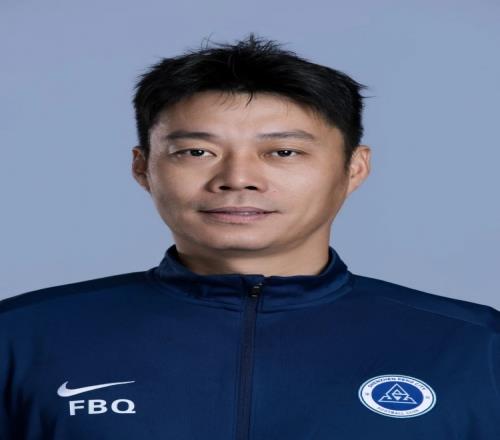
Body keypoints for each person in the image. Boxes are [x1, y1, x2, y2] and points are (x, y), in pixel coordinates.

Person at [1, 33, 499, 440]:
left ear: (354, 168)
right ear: (143, 168)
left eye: (283, 152)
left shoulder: (475, 347)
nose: (237, 178)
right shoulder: (22, 338)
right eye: (196, 152)